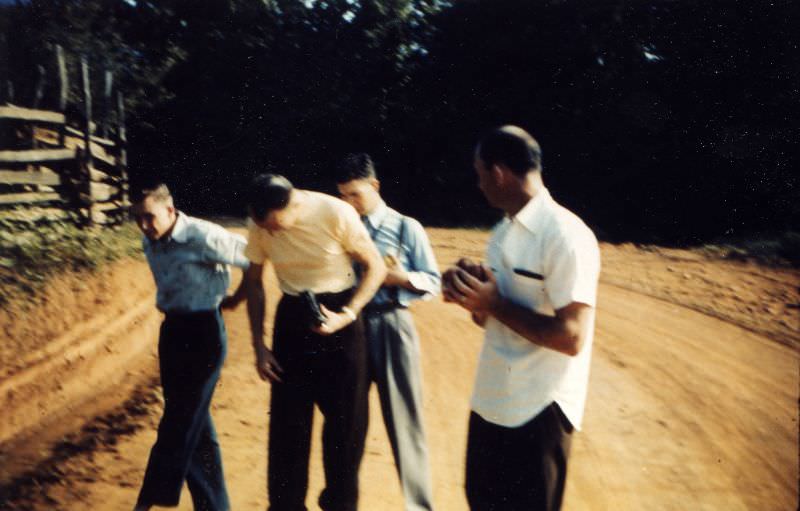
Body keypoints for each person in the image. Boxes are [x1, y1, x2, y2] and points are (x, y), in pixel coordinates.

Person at [442, 126, 601, 511]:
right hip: (492, 401)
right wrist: (473, 297)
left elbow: (572, 337)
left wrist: (494, 304)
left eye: (480, 173)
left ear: (498, 173)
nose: (478, 183)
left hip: (540, 408)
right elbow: (490, 318)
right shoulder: (500, 234)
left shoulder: (566, 235)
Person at [242, 174, 386, 511]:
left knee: (346, 429)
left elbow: (375, 266)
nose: (271, 233)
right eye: (264, 227)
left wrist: (348, 314)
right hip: (293, 318)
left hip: (341, 315)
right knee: (287, 430)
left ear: (292, 204)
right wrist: (259, 347)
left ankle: (339, 505)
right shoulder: (260, 224)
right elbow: (254, 281)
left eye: (276, 225)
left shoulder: (335, 212)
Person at [130, 182, 250, 511]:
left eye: (150, 217)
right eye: (138, 218)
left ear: (170, 211)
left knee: (180, 417)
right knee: (196, 423)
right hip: (172, 332)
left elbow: (254, 259)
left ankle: (149, 498)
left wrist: (238, 298)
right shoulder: (149, 239)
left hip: (204, 335)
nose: (144, 225)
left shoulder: (203, 235)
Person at [336, 153, 440, 511]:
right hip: (353, 326)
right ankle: (341, 502)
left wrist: (396, 277)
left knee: (405, 421)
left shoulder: (406, 227)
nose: (349, 203)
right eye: (343, 196)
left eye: (355, 195)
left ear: (375, 186)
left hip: (394, 323)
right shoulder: (343, 226)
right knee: (347, 422)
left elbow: (432, 281)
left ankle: (419, 506)